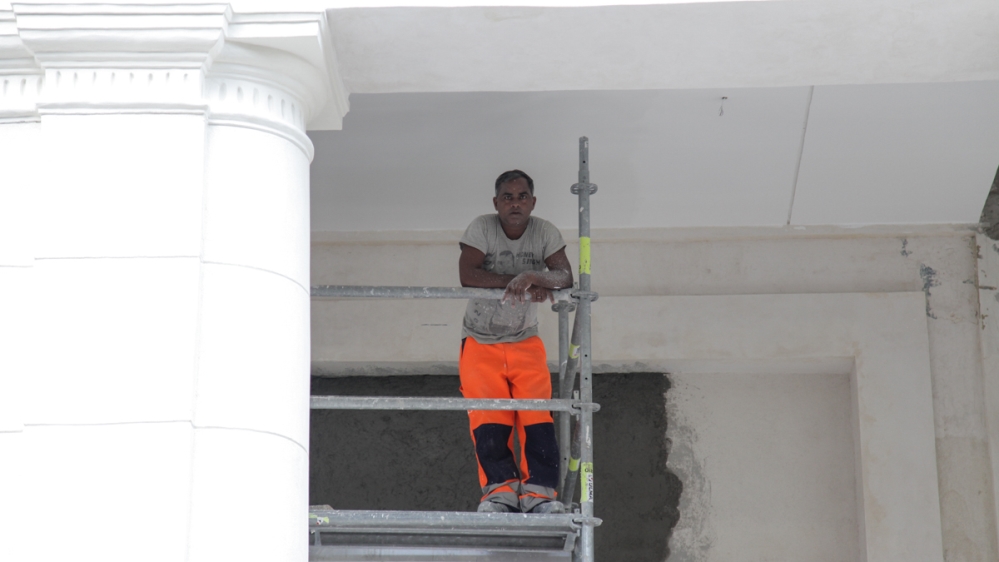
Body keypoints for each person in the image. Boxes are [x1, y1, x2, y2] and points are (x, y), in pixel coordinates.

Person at [458, 169, 574, 514]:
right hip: (480, 341)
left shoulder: (544, 231)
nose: (515, 203)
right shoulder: (482, 227)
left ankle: (539, 496)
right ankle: (500, 494)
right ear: (496, 203)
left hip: (525, 340)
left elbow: (565, 275)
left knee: (536, 418)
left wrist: (532, 276)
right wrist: (522, 281)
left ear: (533, 202)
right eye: (507, 197)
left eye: (522, 196)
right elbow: (468, 274)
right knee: (489, 420)